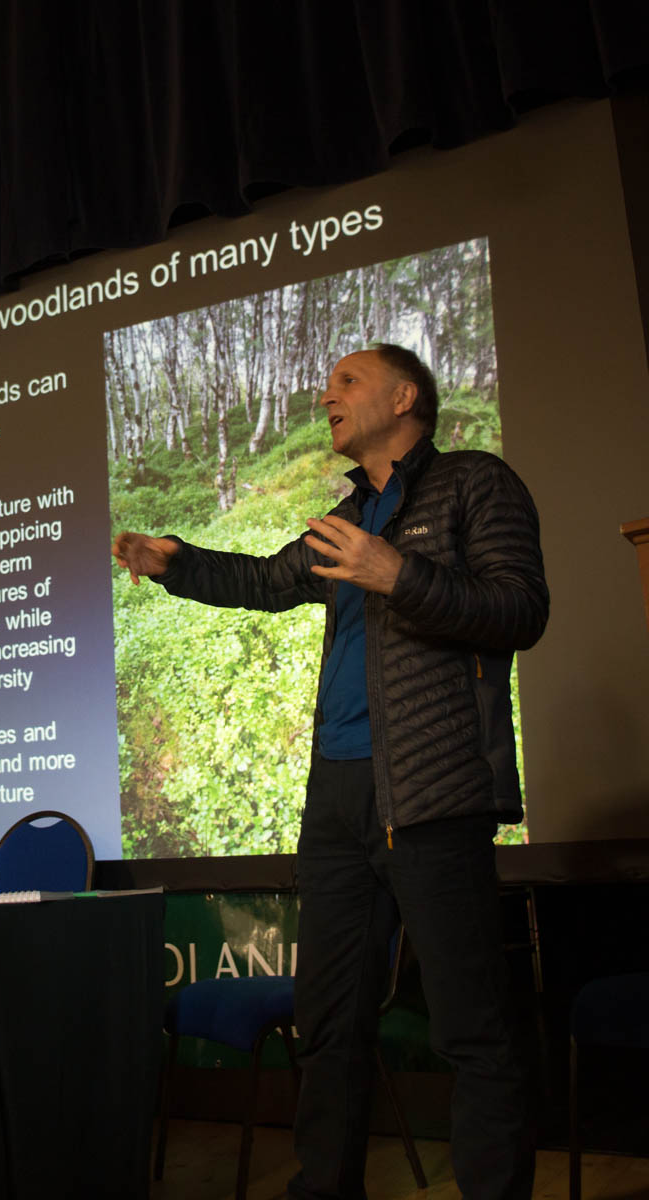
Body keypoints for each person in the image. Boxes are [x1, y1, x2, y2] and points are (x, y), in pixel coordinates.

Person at [112, 344, 548, 1200]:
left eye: (346, 381)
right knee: (329, 1028)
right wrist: (179, 562)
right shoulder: (349, 513)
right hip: (338, 802)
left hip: (432, 791)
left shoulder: (474, 484)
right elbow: (265, 579)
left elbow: (521, 609)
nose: (327, 395)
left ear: (404, 395)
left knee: (472, 1033)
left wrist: (400, 574)